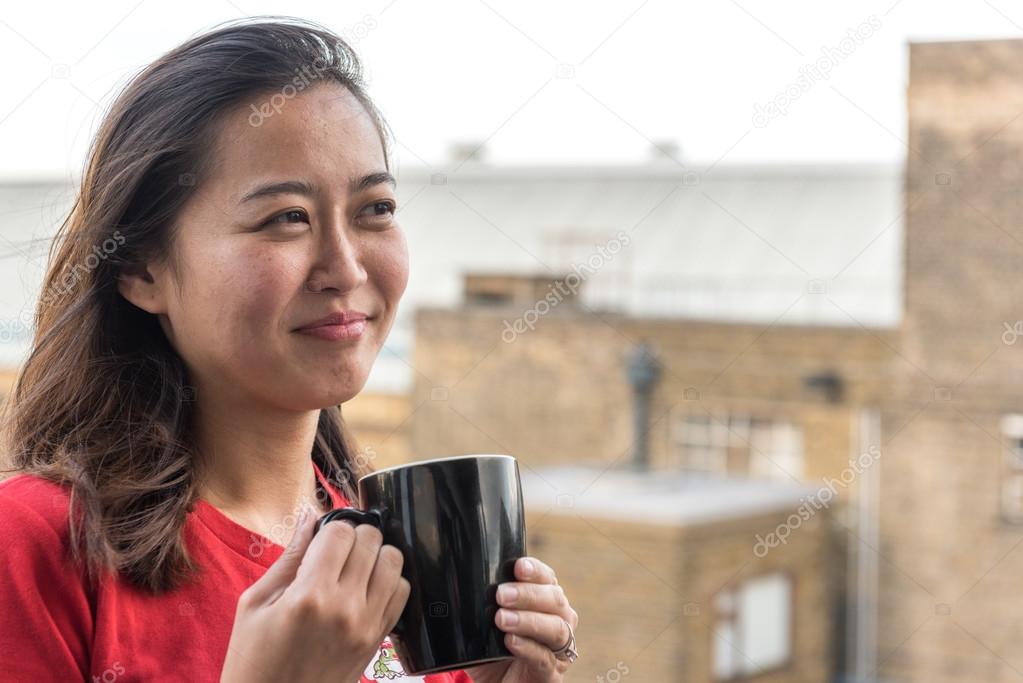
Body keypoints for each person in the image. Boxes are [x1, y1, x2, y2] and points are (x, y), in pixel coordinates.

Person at [0, 16, 578, 682]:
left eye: (376, 209)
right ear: (141, 270)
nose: (345, 266)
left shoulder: (395, 562)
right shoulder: (38, 545)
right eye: (285, 218)